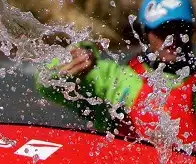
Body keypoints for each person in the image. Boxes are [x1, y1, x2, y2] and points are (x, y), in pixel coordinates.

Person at [36, 0, 196, 145]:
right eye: (164, 30)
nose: (173, 39)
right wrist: (74, 60)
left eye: (182, 29)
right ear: (145, 33)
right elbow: (45, 82)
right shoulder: (118, 78)